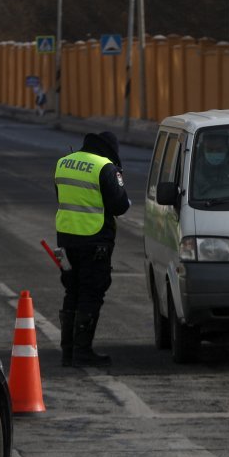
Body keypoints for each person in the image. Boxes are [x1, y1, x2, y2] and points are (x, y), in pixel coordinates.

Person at [54, 131, 130, 366]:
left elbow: (62, 196)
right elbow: (119, 206)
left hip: (66, 238)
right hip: (94, 240)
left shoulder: (63, 163)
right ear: (110, 150)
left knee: (72, 291)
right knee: (91, 293)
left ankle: (68, 352)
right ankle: (82, 351)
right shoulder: (105, 167)